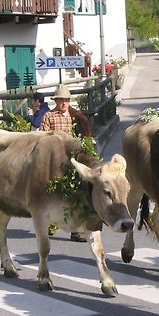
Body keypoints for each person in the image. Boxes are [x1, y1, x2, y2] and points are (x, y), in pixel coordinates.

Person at [40, 84, 92, 242]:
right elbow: (43, 136)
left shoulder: (74, 116)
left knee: (74, 193)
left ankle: (75, 230)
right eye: (60, 100)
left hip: (72, 159)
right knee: (52, 193)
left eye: (66, 100)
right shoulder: (49, 116)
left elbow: (83, 135)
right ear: (56, 101)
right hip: (54, 158)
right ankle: (49, 222)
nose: (63, 103)